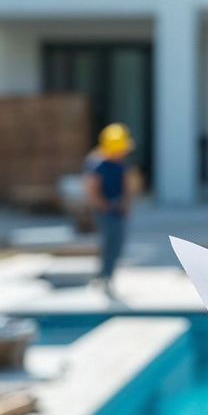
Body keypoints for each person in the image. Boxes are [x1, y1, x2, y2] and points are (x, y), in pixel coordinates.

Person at [85, 123, 134, 298]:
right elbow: (92, 188)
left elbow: (127, 185)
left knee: (117, 244)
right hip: (105, 210)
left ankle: (108, 275)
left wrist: (126, 204)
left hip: (118, 208)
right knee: (108, 244)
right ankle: (103, 276)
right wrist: (104, 205)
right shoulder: (98, 164)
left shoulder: (120, 165)